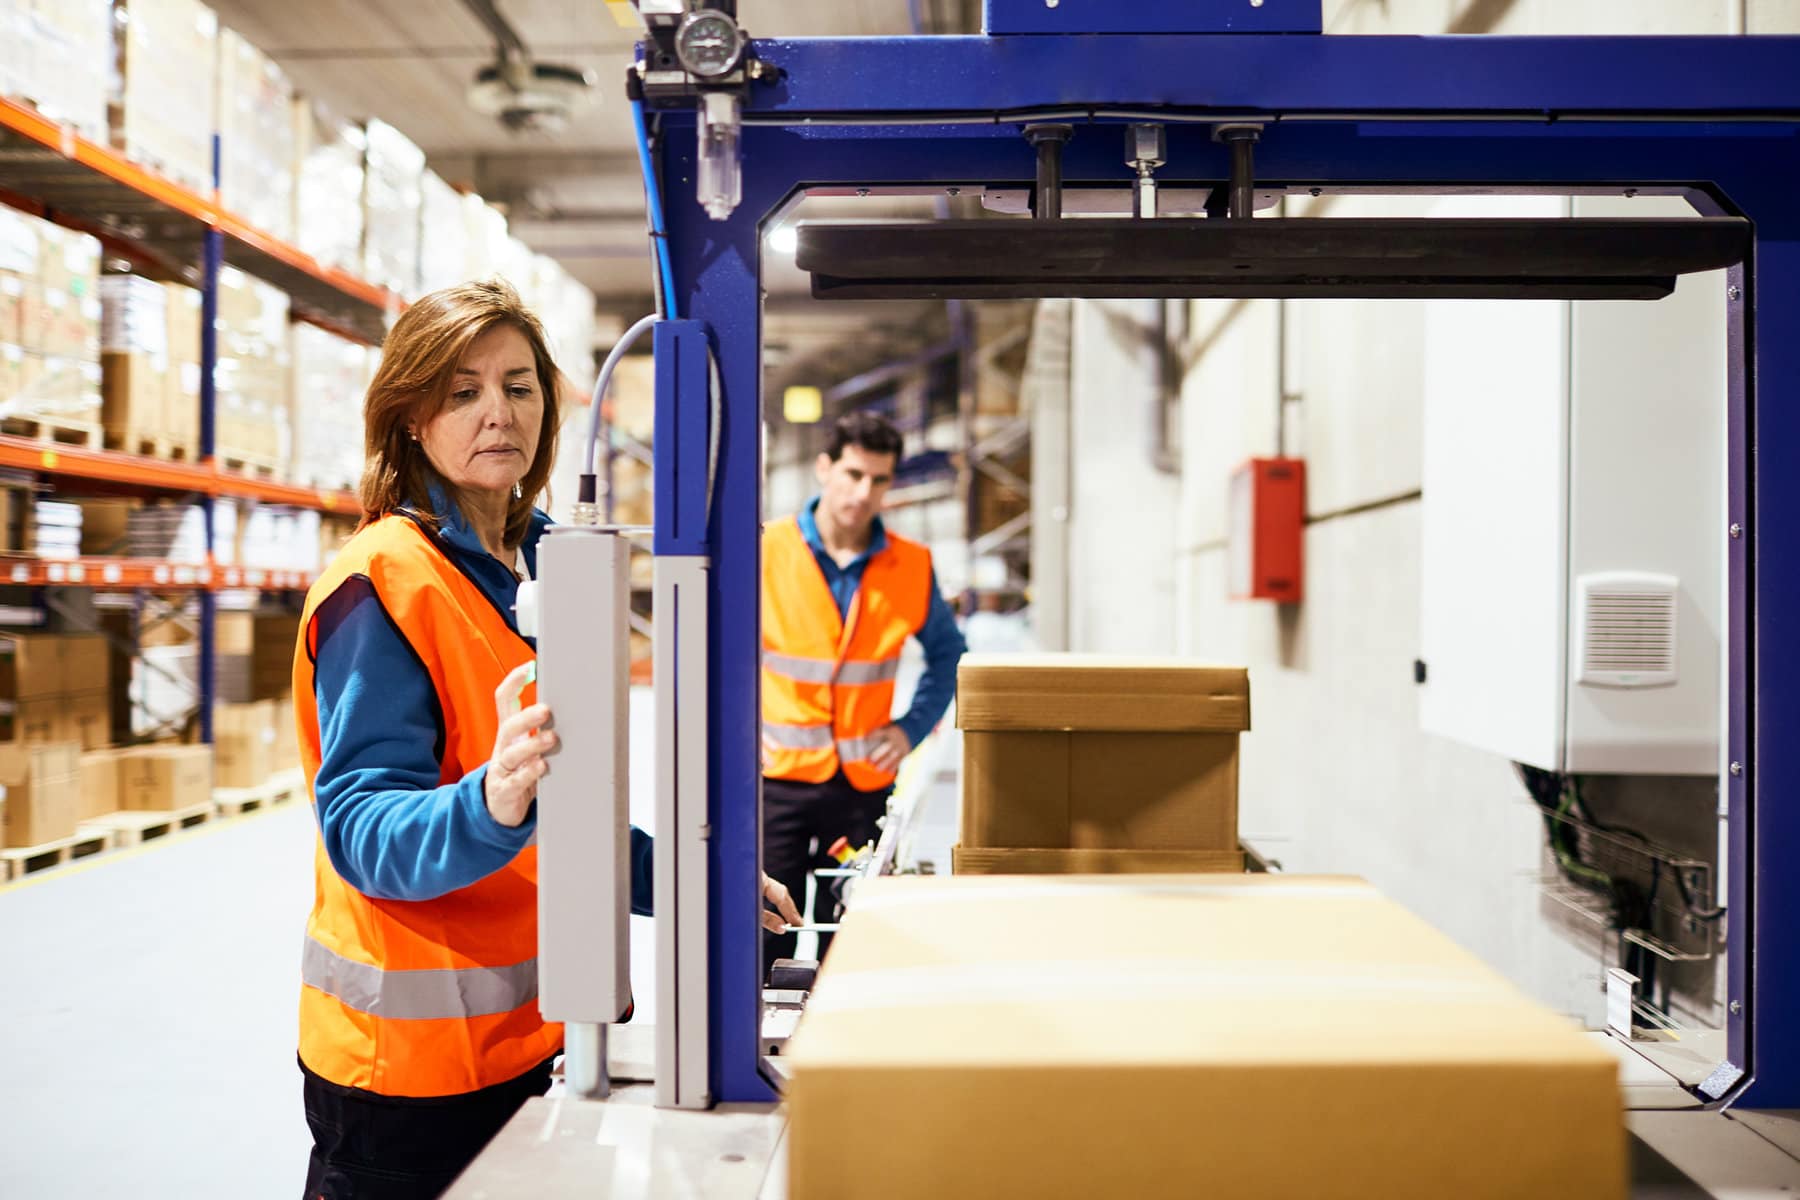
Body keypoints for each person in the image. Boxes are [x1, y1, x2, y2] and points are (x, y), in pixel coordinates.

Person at [294, 279, 800, 1200]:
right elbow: (362, 831)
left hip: (533, 1041)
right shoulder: (382, 584)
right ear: (411, 416)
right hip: (406, 1072)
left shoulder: (550, 560)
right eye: (463, 391)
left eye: (519, 386)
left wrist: (699, 885)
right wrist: (486, 800)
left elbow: (569, 815)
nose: (499, 413)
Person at [760, 410, 967, 976]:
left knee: (851, 937)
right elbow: (715, 651)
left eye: (878, 480)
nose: (862, 492)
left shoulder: (911, 564)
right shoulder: (765, 550)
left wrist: (909, 730)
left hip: (860, 789)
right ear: (824, 468)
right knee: (763, 931)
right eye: (852, 473)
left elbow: (949, 656)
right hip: (774, 781)